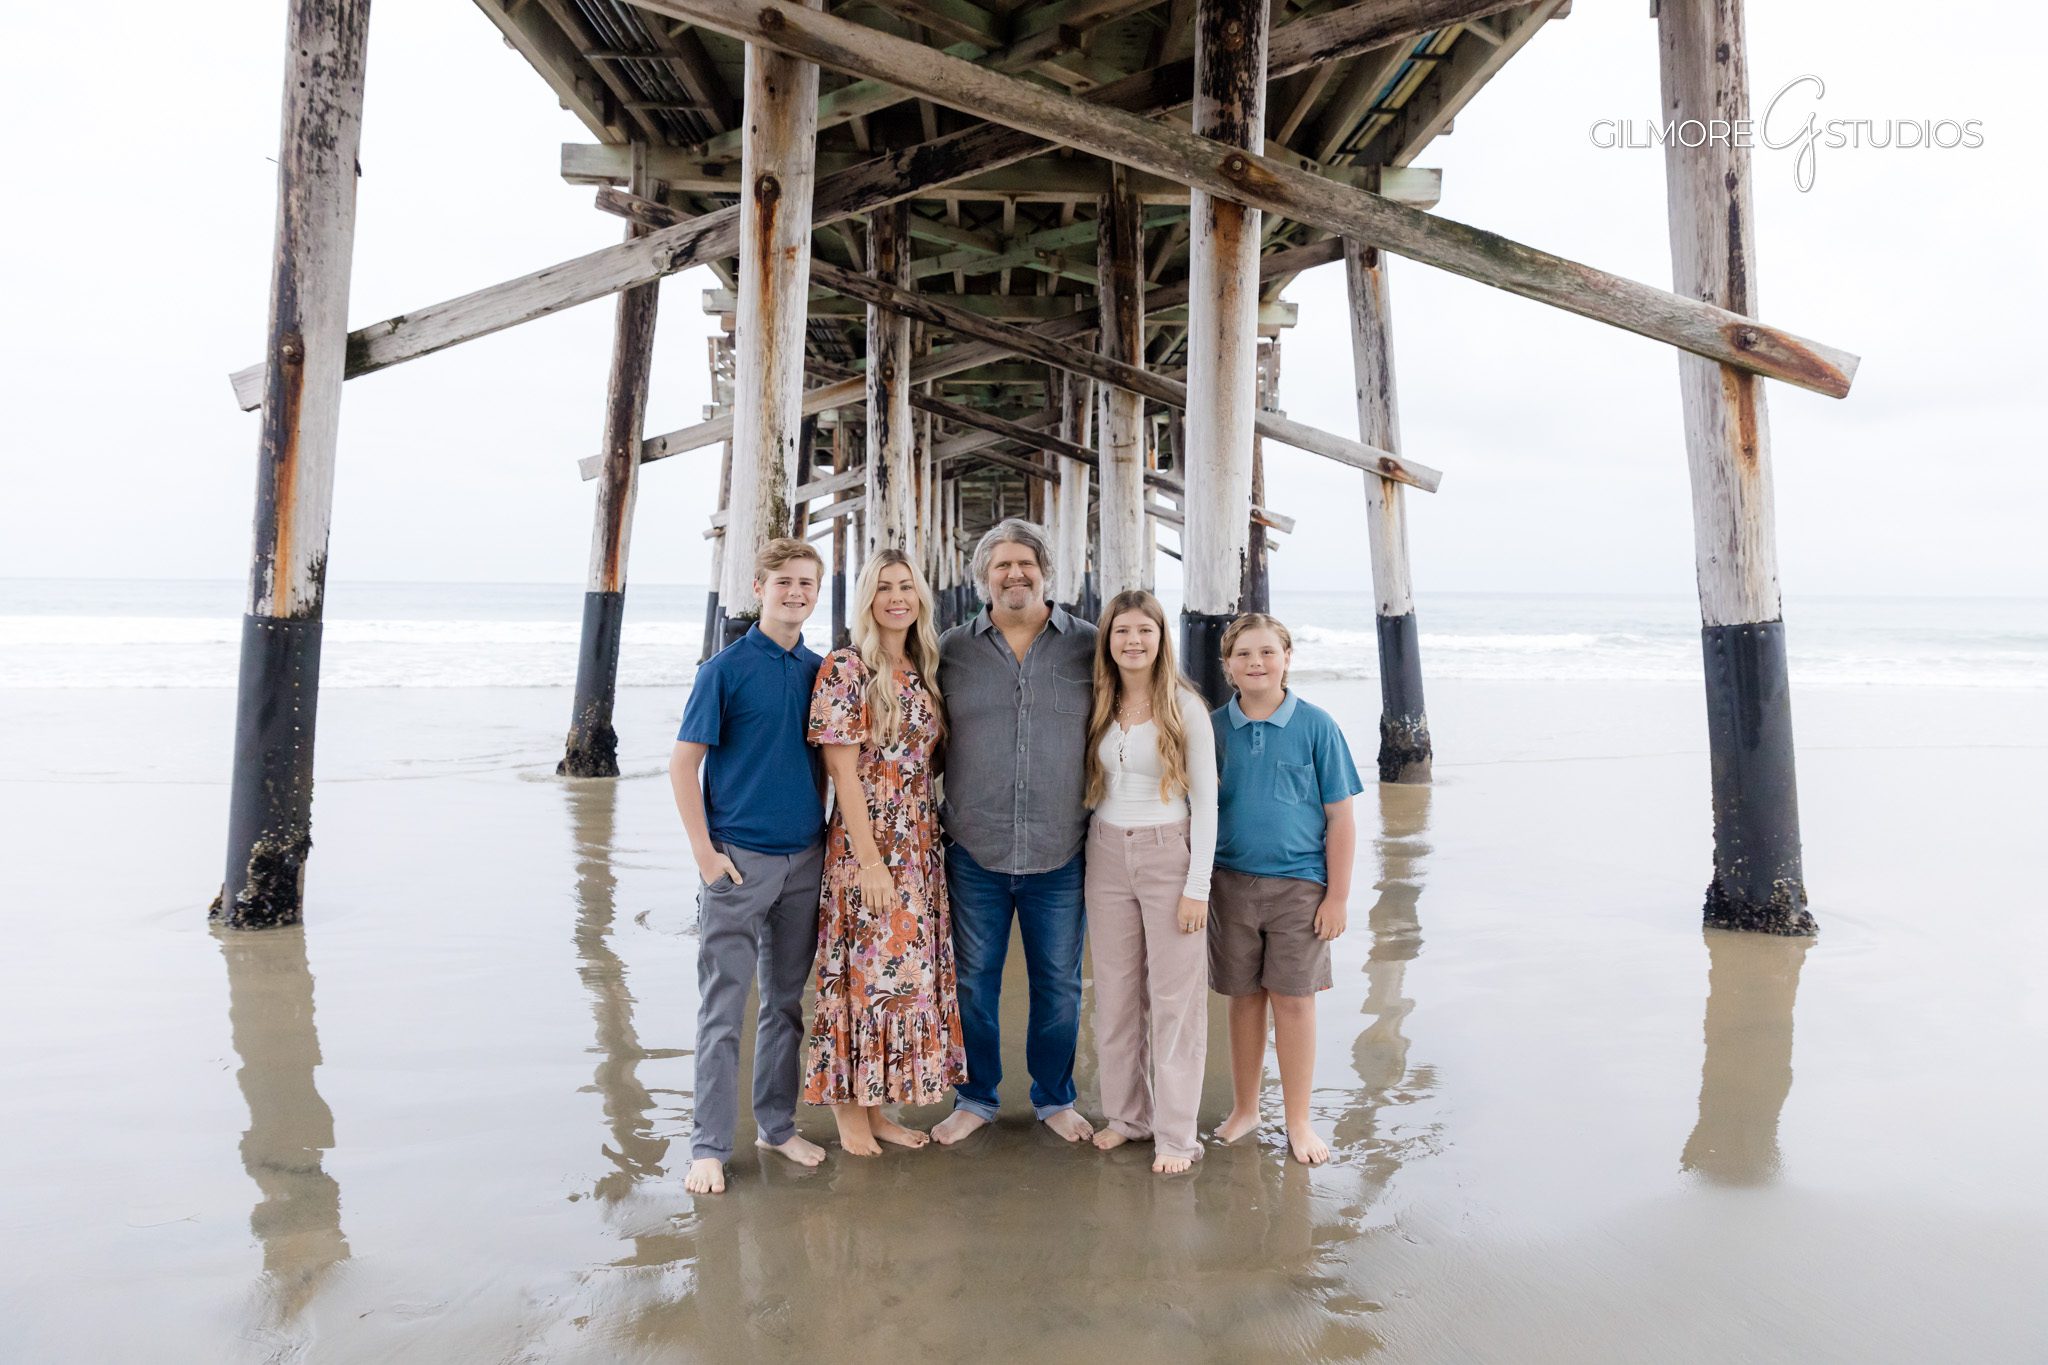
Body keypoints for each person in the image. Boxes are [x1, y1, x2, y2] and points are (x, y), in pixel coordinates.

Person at [669, 538, 832, 1195]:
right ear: (760, 586)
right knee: (723, 1008)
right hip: (737, 861)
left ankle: (775, 1123)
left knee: (787, 1005)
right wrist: (707, 856)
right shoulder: (725, 670)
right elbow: (684, 764)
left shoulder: (821, 672)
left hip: (805, 859)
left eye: (806, 583)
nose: (795, 592)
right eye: (784, 581)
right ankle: (707, 1145)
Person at [931, 519, 1098, 1145]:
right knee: (974, 982)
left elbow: (1140, 709)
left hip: (1062, 847)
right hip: (976, 846)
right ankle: (975, 1097)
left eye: (1025, 564)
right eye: (1001, 565)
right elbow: (921, 737)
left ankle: (1055, 1098)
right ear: (983, 577)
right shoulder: (951, 648)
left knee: (1058, 983)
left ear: (1044, 571)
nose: (1014, 575)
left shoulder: (1088, 645)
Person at [803, 549, 966, 1155]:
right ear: (867, 600)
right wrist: (871, 863)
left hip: (919, 848)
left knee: (903, 977)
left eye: (906, 587)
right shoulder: (846, 668)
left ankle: (878, 1110)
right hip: (868, 845)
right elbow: (843, 776)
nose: (897, 597)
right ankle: (850, 1112)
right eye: (883, 588)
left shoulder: (921, 669)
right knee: (862, 977)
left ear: (920, 597)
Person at [1207, 613, 1363, 1165]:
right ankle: (1245, 1108)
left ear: (1288, 657)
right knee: (1243, 999)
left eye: (1268, 652)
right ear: (1227, 666)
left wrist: (1337, 897)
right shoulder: (1213, 729)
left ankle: (1298, 1119)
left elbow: (1340, 819)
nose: (1256, 662)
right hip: (1229, 884)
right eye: (1244, 653)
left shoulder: (1317, 726)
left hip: (1301, 887)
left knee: (1294, 1002)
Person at [1083, 590, 1218, 1175]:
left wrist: (1199, 886)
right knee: (1114, 995)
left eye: (1145, 631)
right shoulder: (1100, 702)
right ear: (1107, 642)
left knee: (1175, 1002)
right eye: (1121, 632)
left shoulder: (1185, 706)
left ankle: (1177, 1136)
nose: (1133, 642)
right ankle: (1128, 1117)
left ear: (1162, 640)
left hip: (1169, 856)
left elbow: (1209, 804)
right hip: (1106, 852)